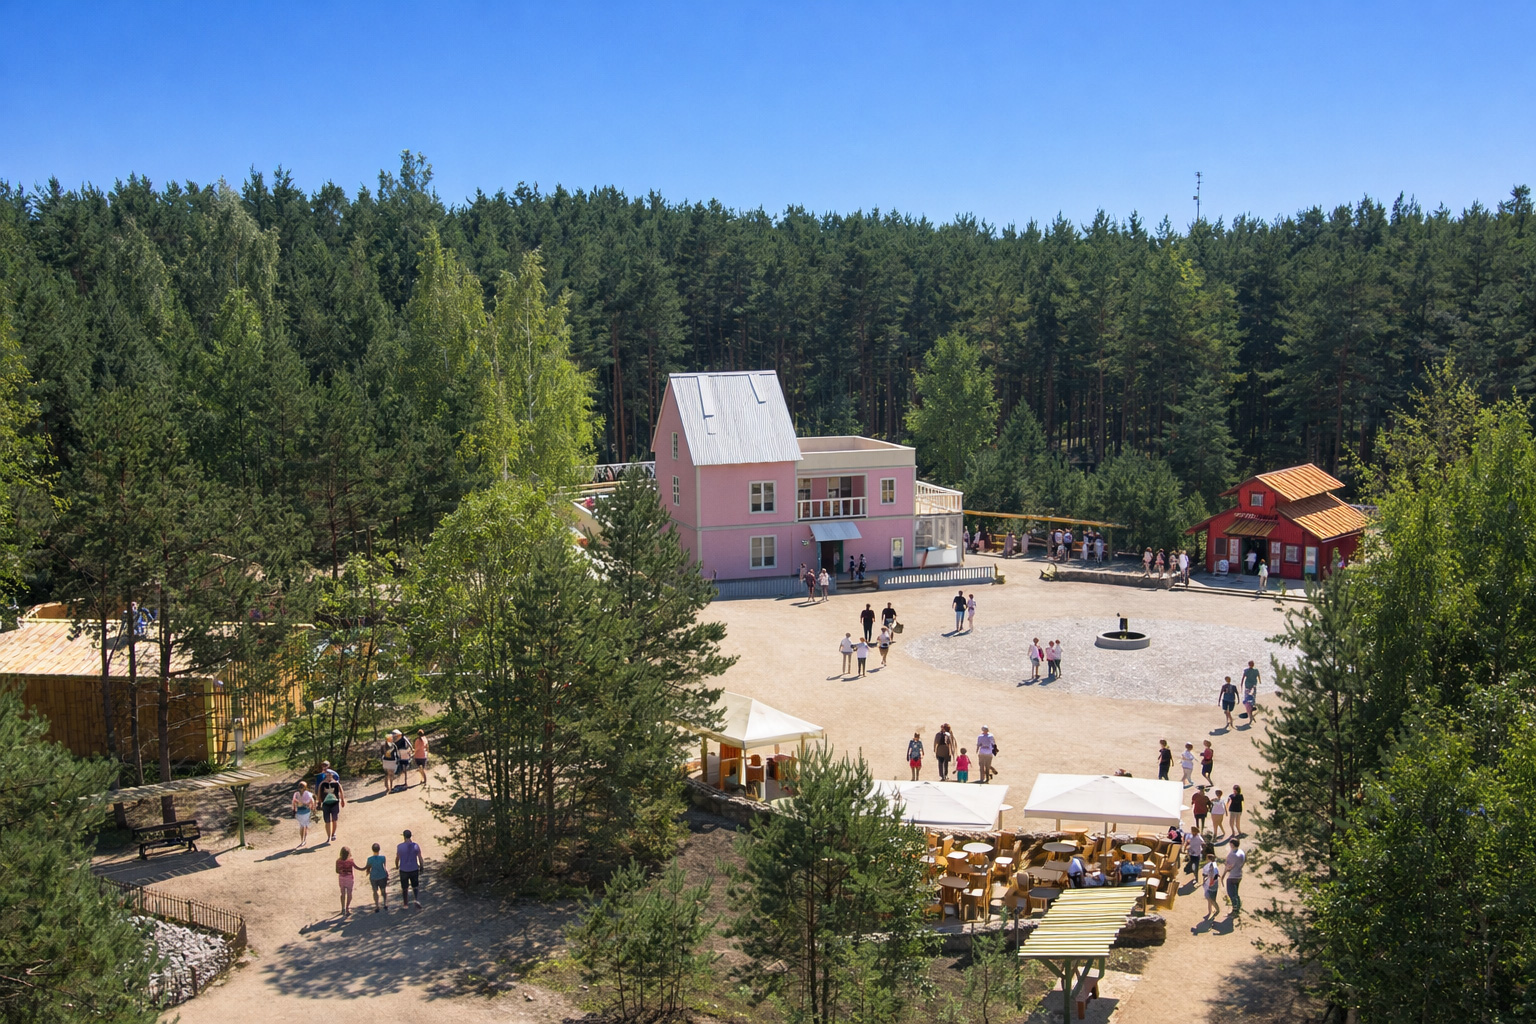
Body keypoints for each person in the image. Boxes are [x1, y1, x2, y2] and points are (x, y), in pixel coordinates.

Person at [396, 829, 424, 908]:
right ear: (411, 836)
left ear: (404, 836)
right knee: (415, 886)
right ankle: (416, 900)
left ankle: (405, 904)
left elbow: (397, 858)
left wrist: (396, 865)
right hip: (414, 868)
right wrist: (421, 866)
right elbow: (420, 857)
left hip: (404, 869)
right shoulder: (416, 846)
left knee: (404, 887)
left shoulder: (400, 846)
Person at [318, 771, 345, 843]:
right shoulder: (322, 784)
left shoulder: (336, 783)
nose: (329, 777)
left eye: (330, 775)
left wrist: (342, 800)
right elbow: (319, 792)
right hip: (326, 803)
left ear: (332, 775)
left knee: (334, 819)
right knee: (327, 821)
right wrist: (319, 802)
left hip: (335, 803)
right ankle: (328, 836)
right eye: (327, 775)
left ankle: (333, 834)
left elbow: (341, 790)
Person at [365, 842, 390, 912]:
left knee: (375, 891)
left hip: (373, 877)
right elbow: (384, 867)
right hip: (382, 875)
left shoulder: (369, 859)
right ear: (379, 849)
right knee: (383, 890)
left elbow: (368, 868)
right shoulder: (383, 858)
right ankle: (385, 903)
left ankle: (377, 906)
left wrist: (367, 872)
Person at [1223, 838, 1246, 913]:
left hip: (1232, 876)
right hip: (1239, 875)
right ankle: (1238, 906)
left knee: (1231, 893)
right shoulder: (1241, 852)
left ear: (1232, 845)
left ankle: (1235, 909)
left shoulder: (1232, 855)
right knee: (1236, 893)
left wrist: (1224, 873)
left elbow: (1229, 867)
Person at [335, 846, 357, 917]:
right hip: (350, 879)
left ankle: (343, 908)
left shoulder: (338, 861)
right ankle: (347, 908)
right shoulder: (351, 861)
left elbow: (337, 871)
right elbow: (357, 867)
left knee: (343, 894)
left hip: (341, 879)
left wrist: (342, 871)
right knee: (349, 894)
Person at [291, 781, 314, 846]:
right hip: (306, 811)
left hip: (299, 812)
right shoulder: (308, 793)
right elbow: (312, 801)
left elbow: (293, 802)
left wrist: (294, 810)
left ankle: (302, 840)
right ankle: (304, 840)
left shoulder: (296, 794)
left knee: (302, 826)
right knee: (305, 826)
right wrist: (312, 807)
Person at [1200, 851, 1221, 920]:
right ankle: (1210, 911)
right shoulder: (1213, 865)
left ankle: (1217, 910)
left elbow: (1213, 876)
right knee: (1210, 898)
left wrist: (1210, 884)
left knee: (1212, 899)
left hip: (1211, 885)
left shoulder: (1211, 867)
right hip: (1212, 884)